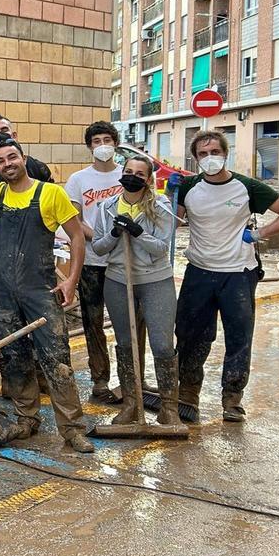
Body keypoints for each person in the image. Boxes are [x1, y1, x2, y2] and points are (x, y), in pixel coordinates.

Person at [0, 139, 94, 453]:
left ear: (23, 159)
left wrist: (72, 281)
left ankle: (72, 429)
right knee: (14, 358)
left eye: (12, 157)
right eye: (0, 161)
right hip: (4, 294)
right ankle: (26, 417)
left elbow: (77, 237)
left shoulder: (50, 193)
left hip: (41, 292)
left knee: (56, 360)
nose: (7, 163)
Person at [175, 130, 279, 422]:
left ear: (225, 154)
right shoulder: (188, 187)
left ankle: (232, 399)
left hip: (238, 274)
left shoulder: (246, 187)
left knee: (239, 337)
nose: (210, 158)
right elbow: (176, 222)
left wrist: (258, 234)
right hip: (199, 271)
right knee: (191, 336)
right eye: (203, 154)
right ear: (195, 159)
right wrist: (170, 197)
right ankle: (188, 394)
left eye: (214, 152)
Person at [90, 155, 179, 426]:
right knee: (127, 345)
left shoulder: (161, 207)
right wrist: (115, 234)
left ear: (148, 180)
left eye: (139, 174)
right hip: (118, 280)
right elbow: (98, 247)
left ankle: (169, 407)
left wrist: (139, 233)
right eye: (128, 171)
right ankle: (131, 403)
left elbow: (163, 248)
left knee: (162, 345)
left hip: (155, 280)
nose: (132, 177)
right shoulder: (107, 207)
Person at [63, 121, 125, 403]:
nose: (102, 145)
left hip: (124, 261)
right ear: (89, 146)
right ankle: (100, 379)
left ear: (115, 143)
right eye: (96, 141)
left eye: (107, 140)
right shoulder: (78, 180)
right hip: (92, 262)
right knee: (93, 322)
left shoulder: (128, 175)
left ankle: (131, 378)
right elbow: (73, 219)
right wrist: (101, 236)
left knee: (128, 322)